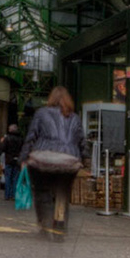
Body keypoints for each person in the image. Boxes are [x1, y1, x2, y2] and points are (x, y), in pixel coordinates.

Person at [19, 87, 86, 234]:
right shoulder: (75, 117)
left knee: (43, 192)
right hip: (69, 160)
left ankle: (46, 223)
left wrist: (24, 157)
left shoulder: (41, 113)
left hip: (44, 159)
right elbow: (82, 141)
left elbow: (31, 136)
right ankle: (60, 224)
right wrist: (83, 159)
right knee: (62, 192)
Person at [0, 123, 22, 200]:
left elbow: (2, 148)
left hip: (9, 159)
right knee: (15, 178)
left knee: (8, 177)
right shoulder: (20, 139)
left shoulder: (7, 138)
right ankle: (14, 195)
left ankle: (7, 195)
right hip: (17, 159)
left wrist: (1, 143)